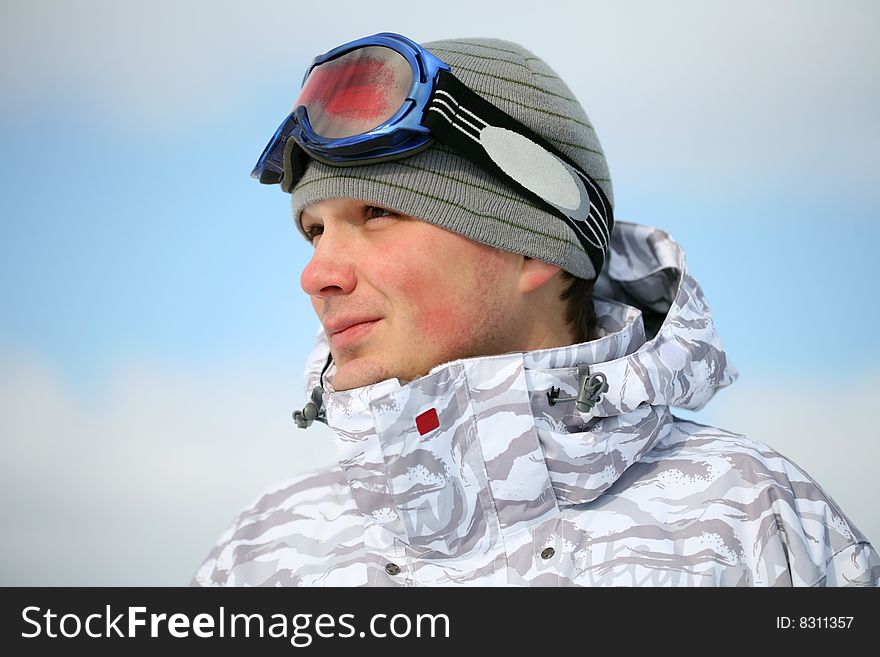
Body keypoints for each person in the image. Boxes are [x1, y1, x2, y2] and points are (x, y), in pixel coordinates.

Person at [191, 33, 879, 586]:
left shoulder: (758, 522)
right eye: (315, 230)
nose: (318, 274)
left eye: (377, 213)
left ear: (535, 245)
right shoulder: (264, 555)